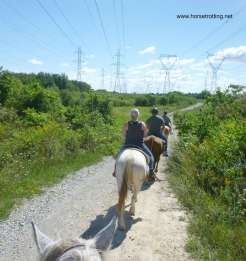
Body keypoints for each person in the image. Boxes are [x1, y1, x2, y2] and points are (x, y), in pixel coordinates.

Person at [112, 108, 155, 177]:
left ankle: (115, 171)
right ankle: (151, 172)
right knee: (151, 157)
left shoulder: (126, 124)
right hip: (140, 145)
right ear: (138, 115)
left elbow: (124, 134)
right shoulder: (142, 124)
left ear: (130, 115)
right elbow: (145, 134)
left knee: (117, 156)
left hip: (127, 144)